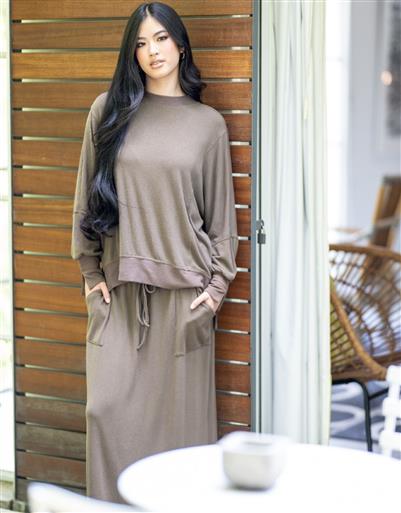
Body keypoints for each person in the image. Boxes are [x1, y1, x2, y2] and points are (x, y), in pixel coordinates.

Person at [71, 1, 238, 503]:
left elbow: (221, 222)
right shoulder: (107, 112)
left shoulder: (207, 125)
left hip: (185, 302)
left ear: (180, 44)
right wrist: (90, 275)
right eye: (141, 43)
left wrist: (215, 291)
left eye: (161, 38)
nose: (152, 51)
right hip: (119, 297)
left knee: (179, 442)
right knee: (104, 412)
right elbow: (85, 201)